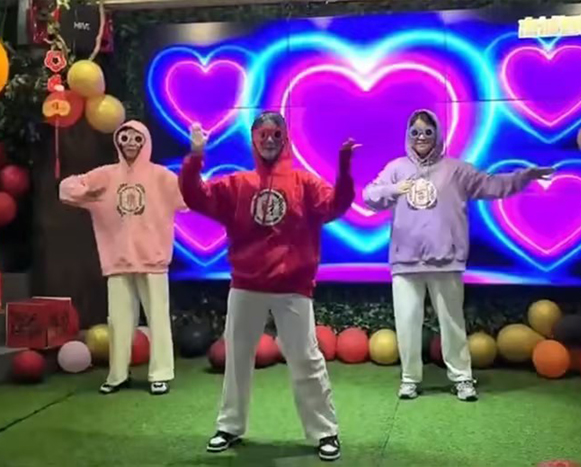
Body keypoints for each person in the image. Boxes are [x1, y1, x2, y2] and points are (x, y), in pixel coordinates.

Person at [179, 111, 357, 461]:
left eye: (276, 134)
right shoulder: (238, 184)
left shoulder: (304, 183)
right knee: (237, 358)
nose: (270, 140)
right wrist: (195, 156)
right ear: (254, 140)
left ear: (285, 138)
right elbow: (195, 196)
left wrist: (344, 168)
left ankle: (325, 431)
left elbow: (335, 205)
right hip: (246, 284)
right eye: (263, 135)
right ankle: (229, 426)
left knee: (306, 358)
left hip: (293, 286)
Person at [363, 109, 554, 402]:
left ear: (437, 135)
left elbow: (492, 185)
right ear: (408, 135)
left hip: (446, 260)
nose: (421, 137)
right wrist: (394, 188)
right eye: (415, 132)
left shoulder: (456, 170)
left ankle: (462, 378)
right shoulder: (396, 168)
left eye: (428, 132)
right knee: (407, 323)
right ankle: (410, 379)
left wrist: (524, 177)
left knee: (452, 322)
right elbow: (369, 197)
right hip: (405, 261)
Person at [59, 120, 187, 396]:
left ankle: (160, 374)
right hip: (117, 259)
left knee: (158, 320)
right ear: (117, 141)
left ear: (145, 142)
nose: (130, 143)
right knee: (118, 322)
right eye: (125, 138)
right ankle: (117, 375)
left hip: (153, 260)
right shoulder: (105, 176)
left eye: (137, 138)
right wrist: (86, 192)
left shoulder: (162, 176)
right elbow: (66, 189)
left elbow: (190, 197)